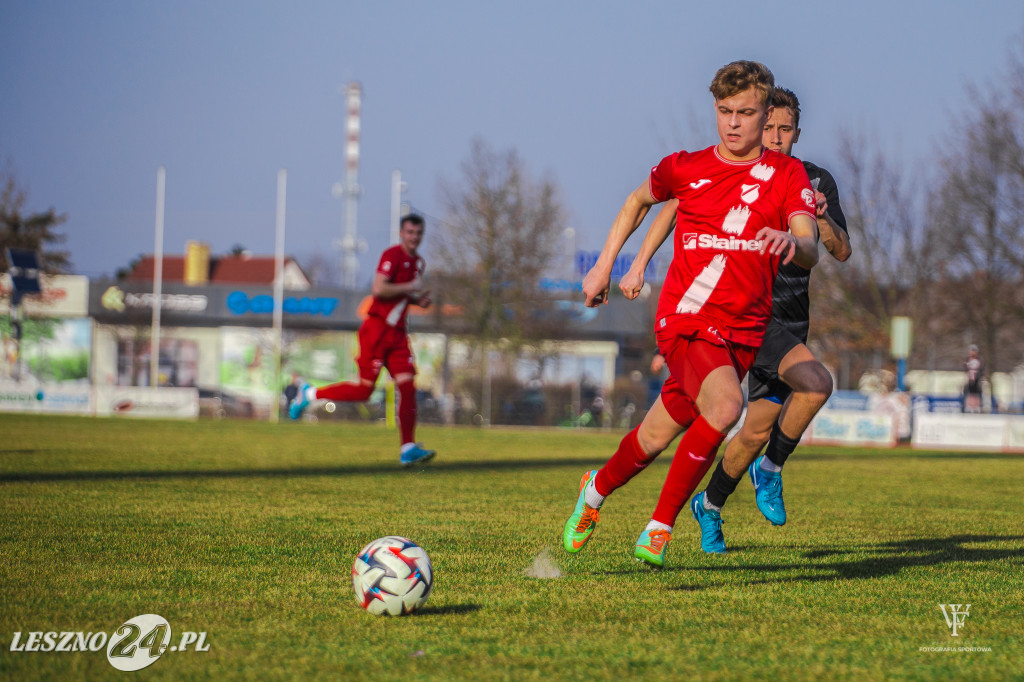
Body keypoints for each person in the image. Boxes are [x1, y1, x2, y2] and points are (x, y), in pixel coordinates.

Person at [562, 61, 819, 568]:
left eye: (746, 113)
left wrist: (795, 240)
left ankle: (593, 493)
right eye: (725, 111)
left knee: (656, 435)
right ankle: (660, 526)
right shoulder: (686, 166)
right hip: (686, 319)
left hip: (743, 331)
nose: (733, 123)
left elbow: (809, 243)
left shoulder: (788, 175)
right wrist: (605, 267)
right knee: (725, 409)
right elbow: (638, 201)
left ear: (766, 113)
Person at [685, 86, 853, 552]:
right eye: (770, 127)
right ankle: (772, 469)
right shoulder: (742, 174)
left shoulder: (816, 180)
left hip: (793, 320)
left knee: (757, 428)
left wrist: (819, 219)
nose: (776, 137)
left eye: (785, 129)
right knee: (817, 384)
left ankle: (711, 505)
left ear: (798, 132)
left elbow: (841, 251)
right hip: (748, 314)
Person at [289, 214, 437, 467]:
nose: (414, 237)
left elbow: (398, 295)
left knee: (408, 387)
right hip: (377, 330)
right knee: (364, 390)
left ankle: (408, 448)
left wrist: (415, 300)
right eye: (410, 232)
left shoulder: (418, 263)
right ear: (401, 233)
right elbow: (379, 289)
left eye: (418, 233)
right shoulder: (392, 256)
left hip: (398, 335)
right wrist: (410, 286)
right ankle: (309, 393)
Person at [963, 345, 983, 413]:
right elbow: (965, 367)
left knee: (976, 393)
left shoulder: (979, 359)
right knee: (970, 393)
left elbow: (981, 368)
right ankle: (969, 406)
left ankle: (976, 406)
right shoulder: (968, 359)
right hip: (970, 379)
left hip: (977, 379)